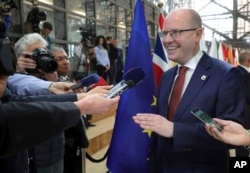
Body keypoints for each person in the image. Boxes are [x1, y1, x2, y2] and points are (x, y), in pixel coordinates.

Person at [133, 8, 245, 173]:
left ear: (197, 34)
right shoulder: (168, 76)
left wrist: (175, 130)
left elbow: (232, 135)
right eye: (164, 33)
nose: (167, 40)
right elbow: (159, 133)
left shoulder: (225, 74)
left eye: (176, 32)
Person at [235, 50, 250, 156]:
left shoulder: (233, 72)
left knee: (239, 143)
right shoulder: (246, 75)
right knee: (244, 143)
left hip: (235, 115)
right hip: (246, 115)